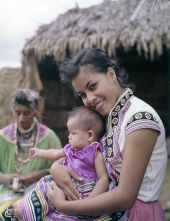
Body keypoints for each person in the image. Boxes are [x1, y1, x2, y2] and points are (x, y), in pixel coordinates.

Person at [45, 47, 167, 221]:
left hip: (136, 214)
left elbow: (126, 196)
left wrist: (64, 206)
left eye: (93, 86)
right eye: (82, 95)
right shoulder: (109, 119)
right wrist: (56, 167)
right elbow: (83, 155)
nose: (90, 98)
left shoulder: (139, 119)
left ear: (111, 74)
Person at [10, 106, 128, 221]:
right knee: (45, 187)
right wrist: (39, 152)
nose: (69, 136)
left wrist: (91, 200)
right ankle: (28, 211)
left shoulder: (96, 153)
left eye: (73, 133)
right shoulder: (70, 149)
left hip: (85, 190)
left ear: (90, 135)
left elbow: (103, 178)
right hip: (64, 185)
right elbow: (55, 153)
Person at [0, 89, 62, 214]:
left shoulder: (49, 138)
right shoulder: (3, 137)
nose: (21, 118)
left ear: (35, 112)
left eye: (26, 113)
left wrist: (35, 176)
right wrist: (4, 178)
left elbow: (60, 168)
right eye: (17, 113)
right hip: (6, 192)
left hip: (38, 191)